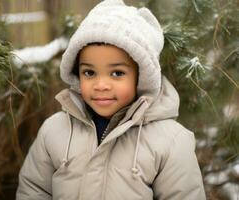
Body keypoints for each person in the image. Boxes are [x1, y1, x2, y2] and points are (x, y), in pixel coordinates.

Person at [16, 0, 206, 199]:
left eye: (116, 73)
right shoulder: (54, 130)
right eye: (89, 72)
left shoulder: (170, 142)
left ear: (141, 77)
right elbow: (34, 190)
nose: (101, 85)